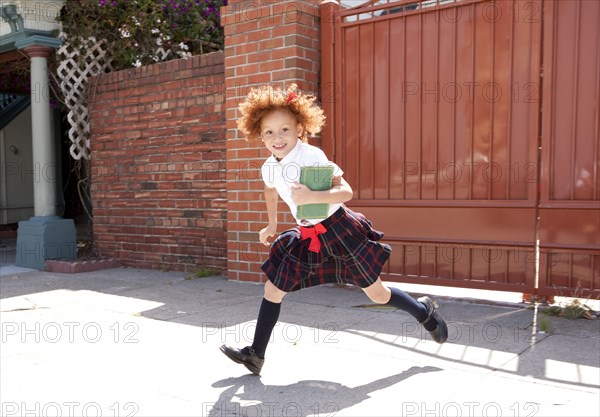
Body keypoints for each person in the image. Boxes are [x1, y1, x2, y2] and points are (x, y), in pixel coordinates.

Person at [220, 84, 448, 376]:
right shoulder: (270, 166)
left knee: (377, 294)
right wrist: (272, 224)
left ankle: (423, 312)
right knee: (273, 288)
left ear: (299, 128)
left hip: (339, 230)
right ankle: (256, 355)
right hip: (307, 234)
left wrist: (314, 196)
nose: (277, 138)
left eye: (285, 130)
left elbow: (345, 191)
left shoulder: (310, 156)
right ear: (258, 133)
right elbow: (270, 191)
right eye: (269, 132)